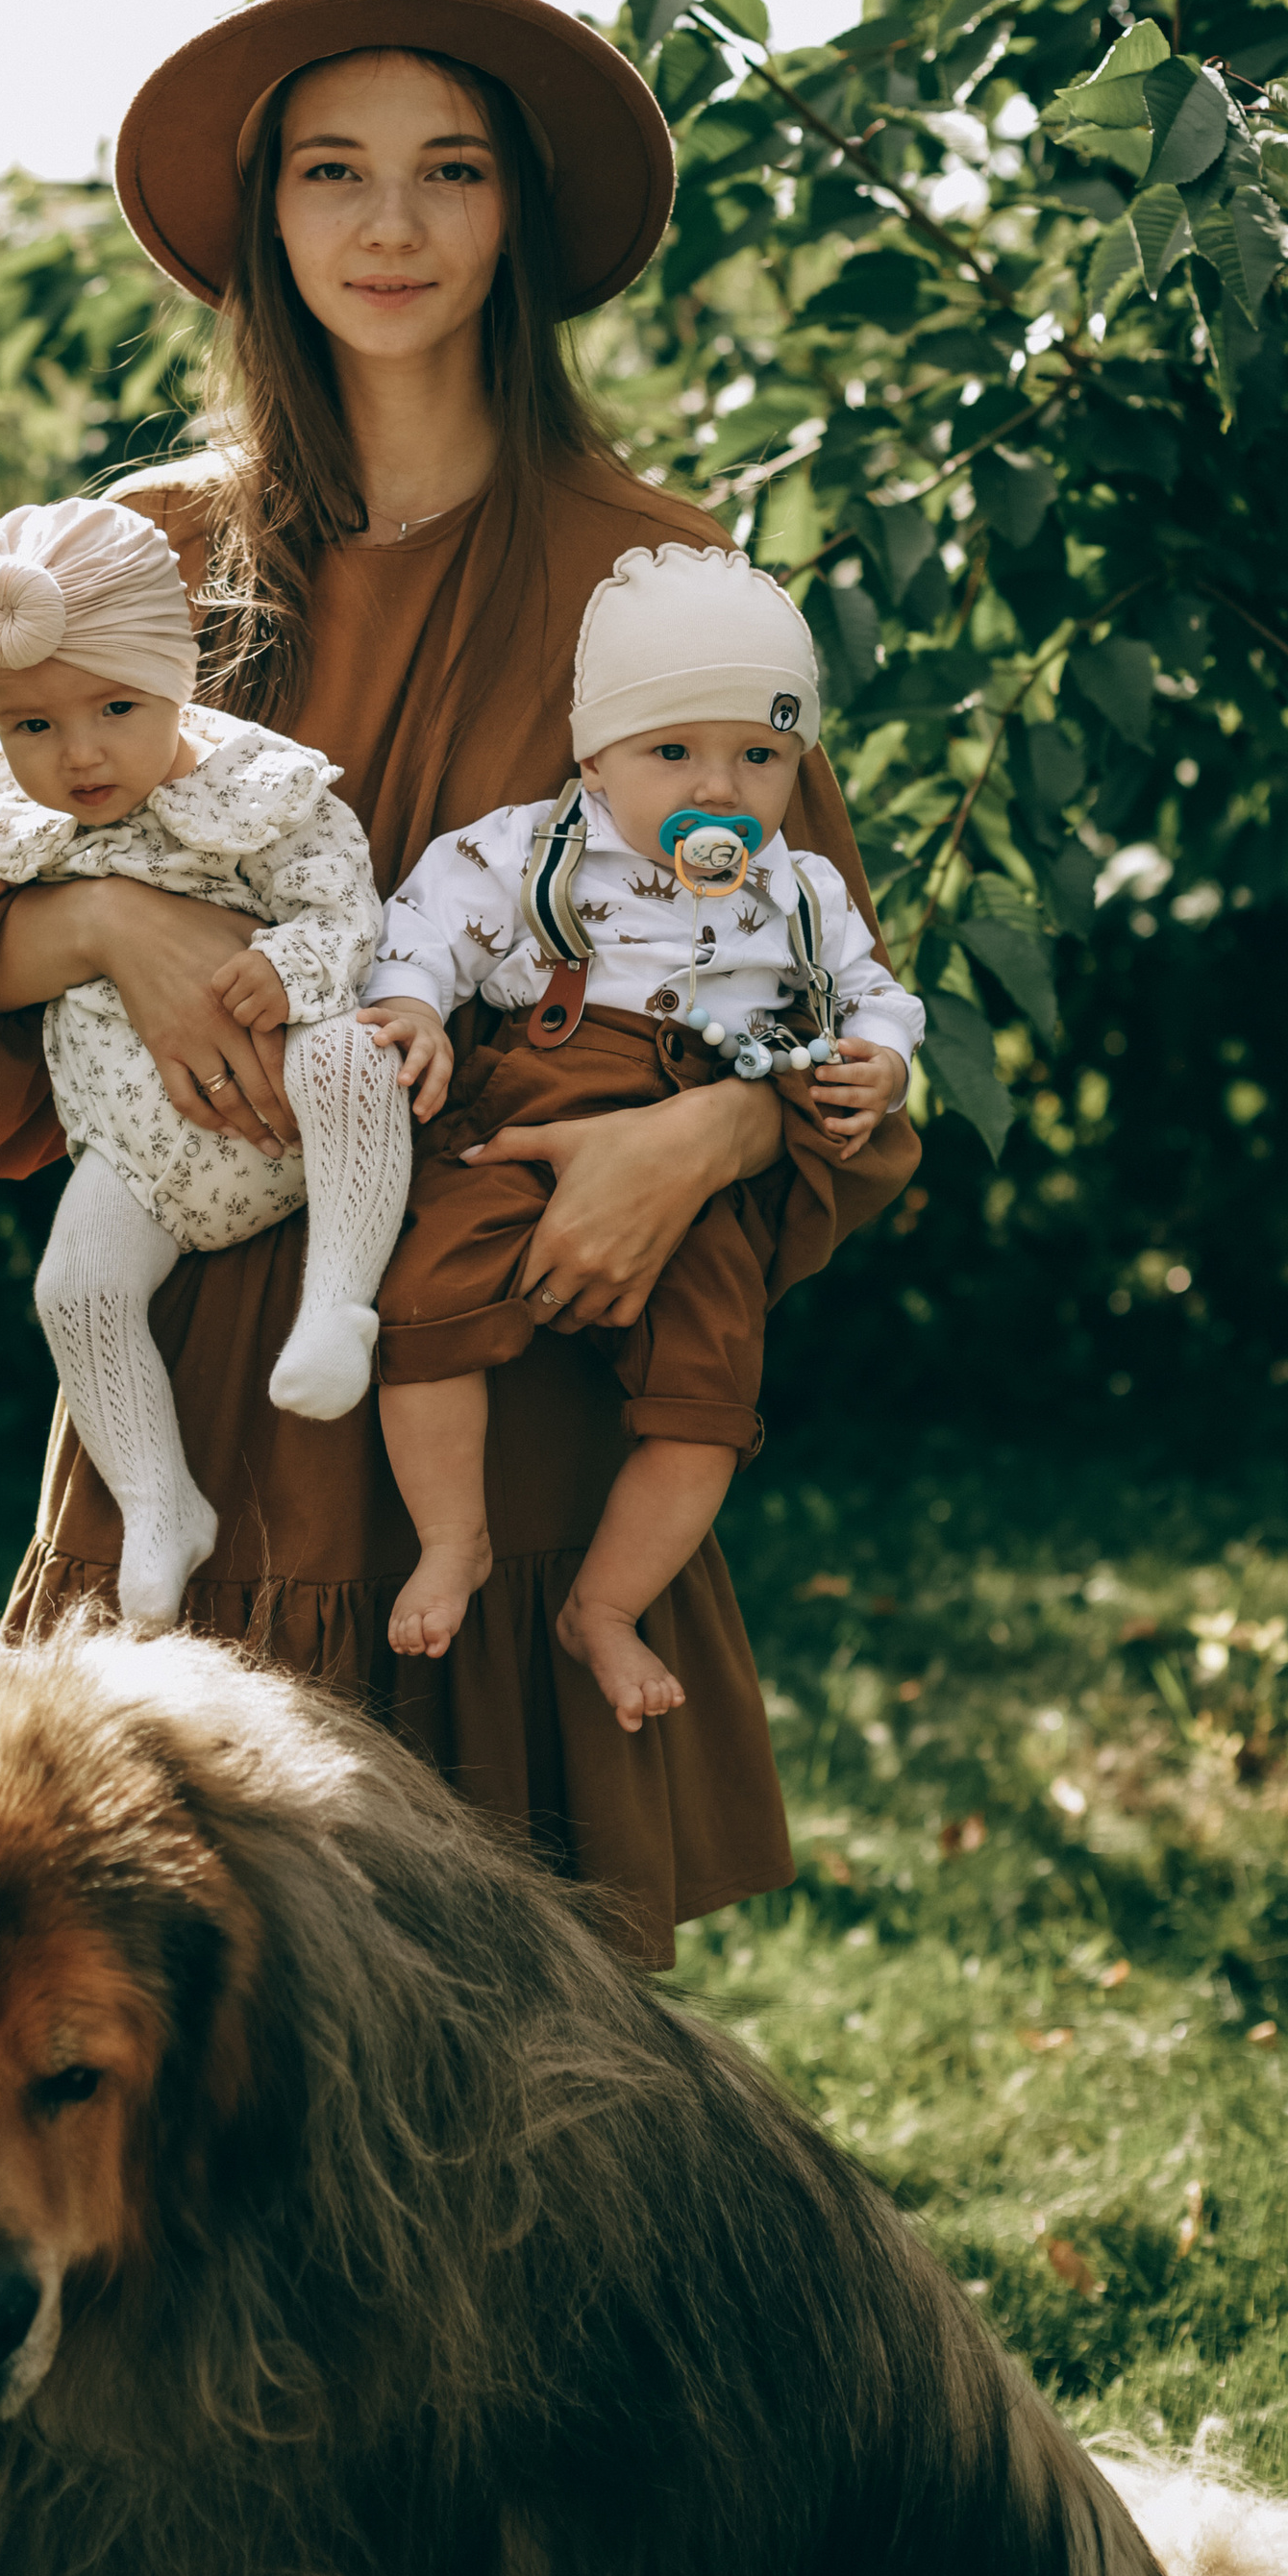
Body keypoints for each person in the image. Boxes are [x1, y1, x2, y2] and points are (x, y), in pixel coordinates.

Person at [0, 0, 920, 1965]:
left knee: (528, 2079)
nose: (387, 222)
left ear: (517, 211)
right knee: (151, 2034)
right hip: (212, 1382)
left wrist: (719, 1142)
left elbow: (829, 1018)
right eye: (331, 165)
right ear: (260, 210)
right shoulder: (136, 560)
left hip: (519, 1379)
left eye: (450, 166)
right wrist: (101, 921)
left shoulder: (651, 580)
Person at [359, 538, 924, 1726]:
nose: (719, 790)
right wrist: (412, 1005)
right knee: (422, 1308)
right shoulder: (533, 847)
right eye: (672, 752)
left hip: (701, 1133)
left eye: (759, 757)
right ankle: (452, 1537)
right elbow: (426, 921)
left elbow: (873, 994)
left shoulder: (800, 891)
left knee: (709, 1401)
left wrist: (882, 1057)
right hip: (539, 1096)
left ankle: (605, 1607)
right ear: (595, 755)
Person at [0, 497, 409, 1624]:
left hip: (290, 1104)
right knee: (74, 1291)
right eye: (31, 726)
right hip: (140, 1148)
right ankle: (157, 1501)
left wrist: (288, 971)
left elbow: (348, 914)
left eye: (114, 709)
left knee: (355, 1059)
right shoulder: (2, 801)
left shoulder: (256, 787)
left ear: (180, 674)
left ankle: (338, 1300)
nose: (78, 752)